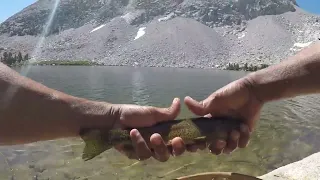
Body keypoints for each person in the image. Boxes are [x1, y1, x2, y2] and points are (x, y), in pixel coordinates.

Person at [0, 41, 319, 163]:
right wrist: (255, 89)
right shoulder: (231, 125)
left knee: (175, 138)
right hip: (162, 130)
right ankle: (105, 136)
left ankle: (104, 136)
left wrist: (255, 88)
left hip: (157, 130)